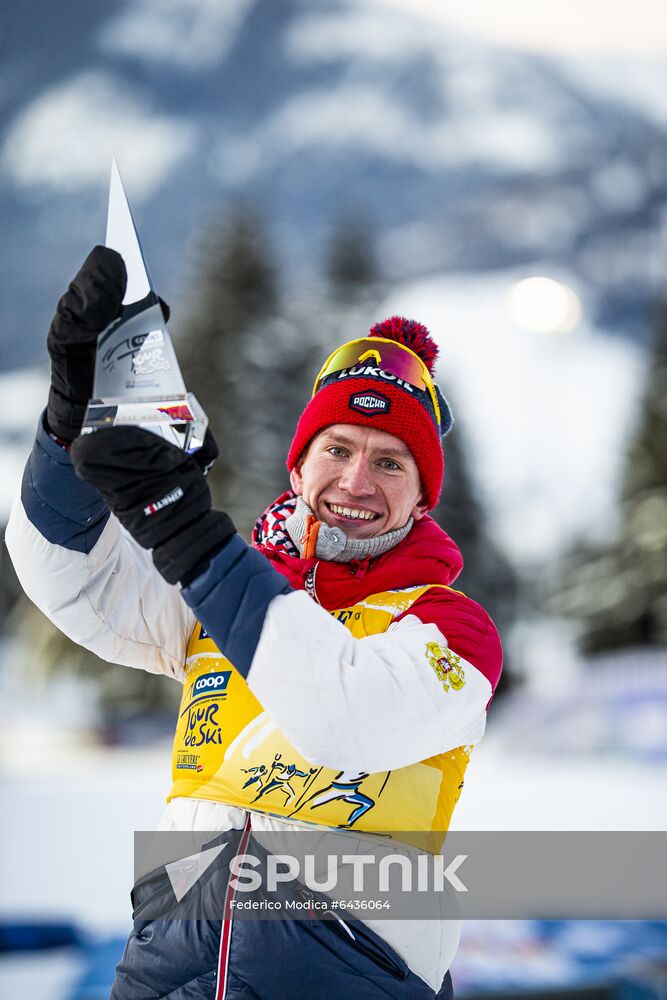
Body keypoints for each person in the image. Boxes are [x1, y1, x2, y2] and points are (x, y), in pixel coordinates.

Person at [6, 247, 502, 999]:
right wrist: (67, 421)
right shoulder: (225, 585)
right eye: (335, 450)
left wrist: (190, 537)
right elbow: (68, 578)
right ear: (297, 469)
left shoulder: (449, 629)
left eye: (390, 463)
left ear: (423, 497)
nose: (355, 482)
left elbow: (347, 718)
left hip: (347, 973)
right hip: (172, 962)